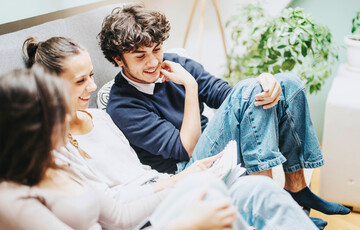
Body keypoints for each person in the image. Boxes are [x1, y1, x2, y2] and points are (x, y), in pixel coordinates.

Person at [21, 36, 328, 230]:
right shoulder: (51, 150)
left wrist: (265, 84)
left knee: (260, 191)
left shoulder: (99, 117)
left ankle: (292, 191)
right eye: (80, 80)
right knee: (224, 197)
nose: (92, 86)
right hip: (144, 215)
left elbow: (140, 172)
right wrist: (181, 180)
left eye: (90, 75)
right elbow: (114, 211)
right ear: (47, 85)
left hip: (164, 185)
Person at [98, 4, 350, 217]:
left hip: (219, 150)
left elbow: (228, 96)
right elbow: (187, 148)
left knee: (287, 83)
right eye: (140, 56)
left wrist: (264, 83)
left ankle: (297, 189)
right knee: (256, 90)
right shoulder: (122, 105)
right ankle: (266, 205)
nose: (153, 62)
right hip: (187, 169)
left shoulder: (176, 63)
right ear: (119, 59)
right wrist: (191, 86)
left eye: (156, 49)